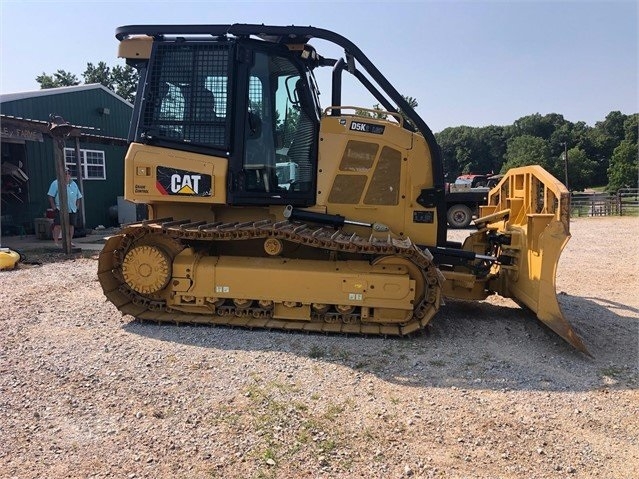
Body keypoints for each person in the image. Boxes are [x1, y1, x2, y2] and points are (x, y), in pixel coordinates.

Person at [47, 168, 82, 247]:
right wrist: (53, 207)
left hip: (72, 209)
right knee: (58, 225)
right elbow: (50, 196)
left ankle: (69, 241)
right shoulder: (55, 183)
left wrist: (77, 207)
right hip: (60, 208)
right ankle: (56, 242)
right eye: (65, 173)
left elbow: (79, 196)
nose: (67, 175)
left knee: (71, 225)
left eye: (68, 173)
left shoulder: (73, 184)